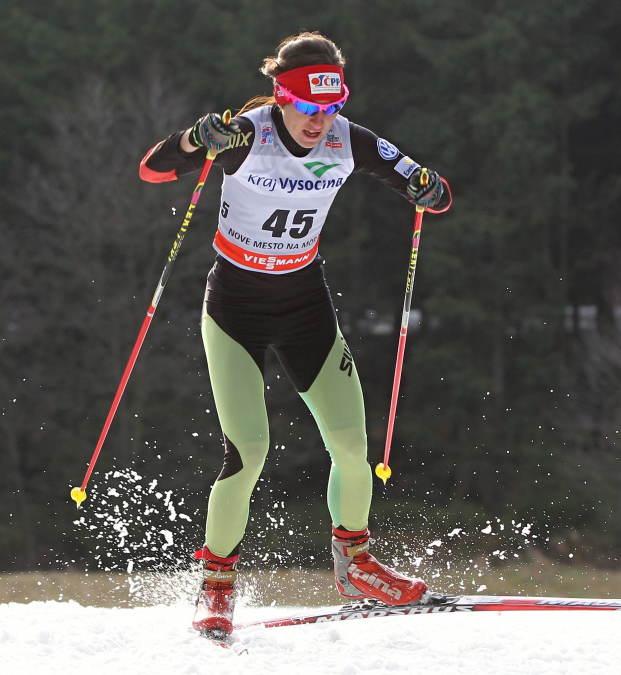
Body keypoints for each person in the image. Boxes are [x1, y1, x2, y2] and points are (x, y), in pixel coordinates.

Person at [138, 31, 451, 637]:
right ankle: (218, 586)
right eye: (308, 108)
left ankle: (356, 564)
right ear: (281, 97)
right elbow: (154, 169)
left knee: (353, 446)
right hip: (235, 309)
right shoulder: (246, 134)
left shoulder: (348, 138)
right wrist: (193, 140)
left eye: (329, 108)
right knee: (248, 451)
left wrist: (427, 189)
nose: (318, 122)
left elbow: (431, 192)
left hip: (305, 305)